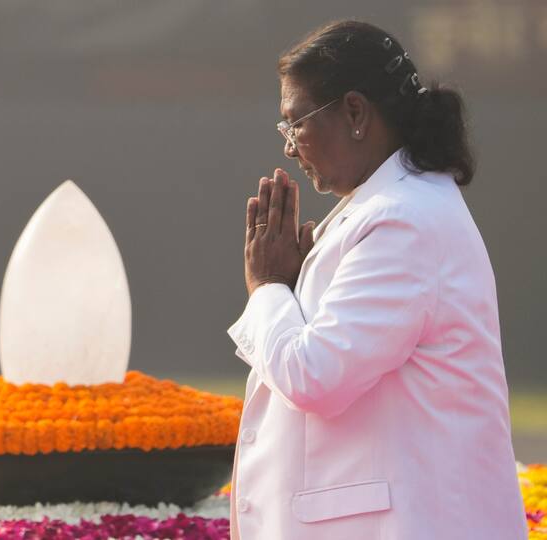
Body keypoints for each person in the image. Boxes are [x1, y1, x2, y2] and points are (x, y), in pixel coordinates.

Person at [226, 19, 528, 540]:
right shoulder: (384, 208)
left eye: (295, 123)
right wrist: (292, 292)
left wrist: (269, 287)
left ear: (355, 112)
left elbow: (315, 375)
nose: (289, 147)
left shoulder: (401, 219)